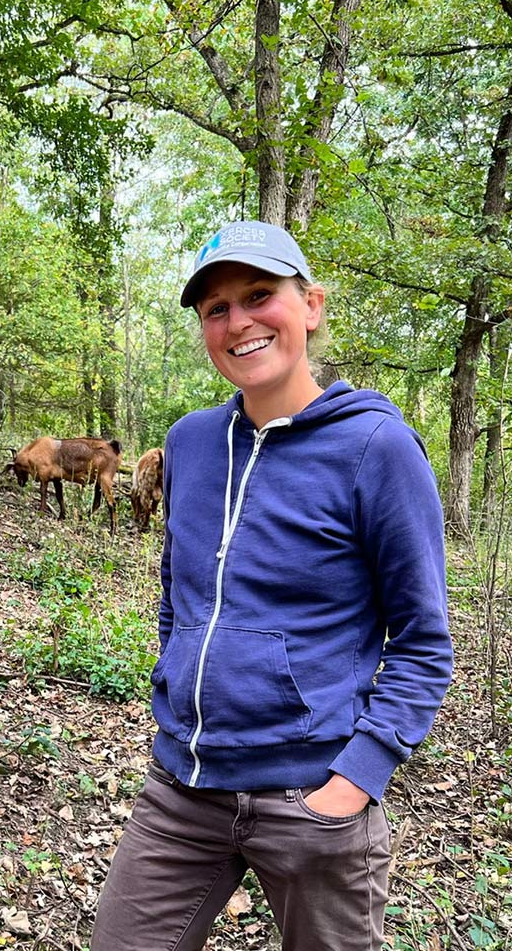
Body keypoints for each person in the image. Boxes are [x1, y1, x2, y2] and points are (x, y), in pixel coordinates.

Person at [90, 221, 453, 951]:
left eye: (260, 295)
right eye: (215, 309)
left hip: (313, 796)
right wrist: (177, 679)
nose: (239, 322)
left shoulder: (376, 447)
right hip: (184, 787)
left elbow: (423, 642)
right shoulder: (190, 442)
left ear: (310, 305)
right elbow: (179, 592)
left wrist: (353, 782)